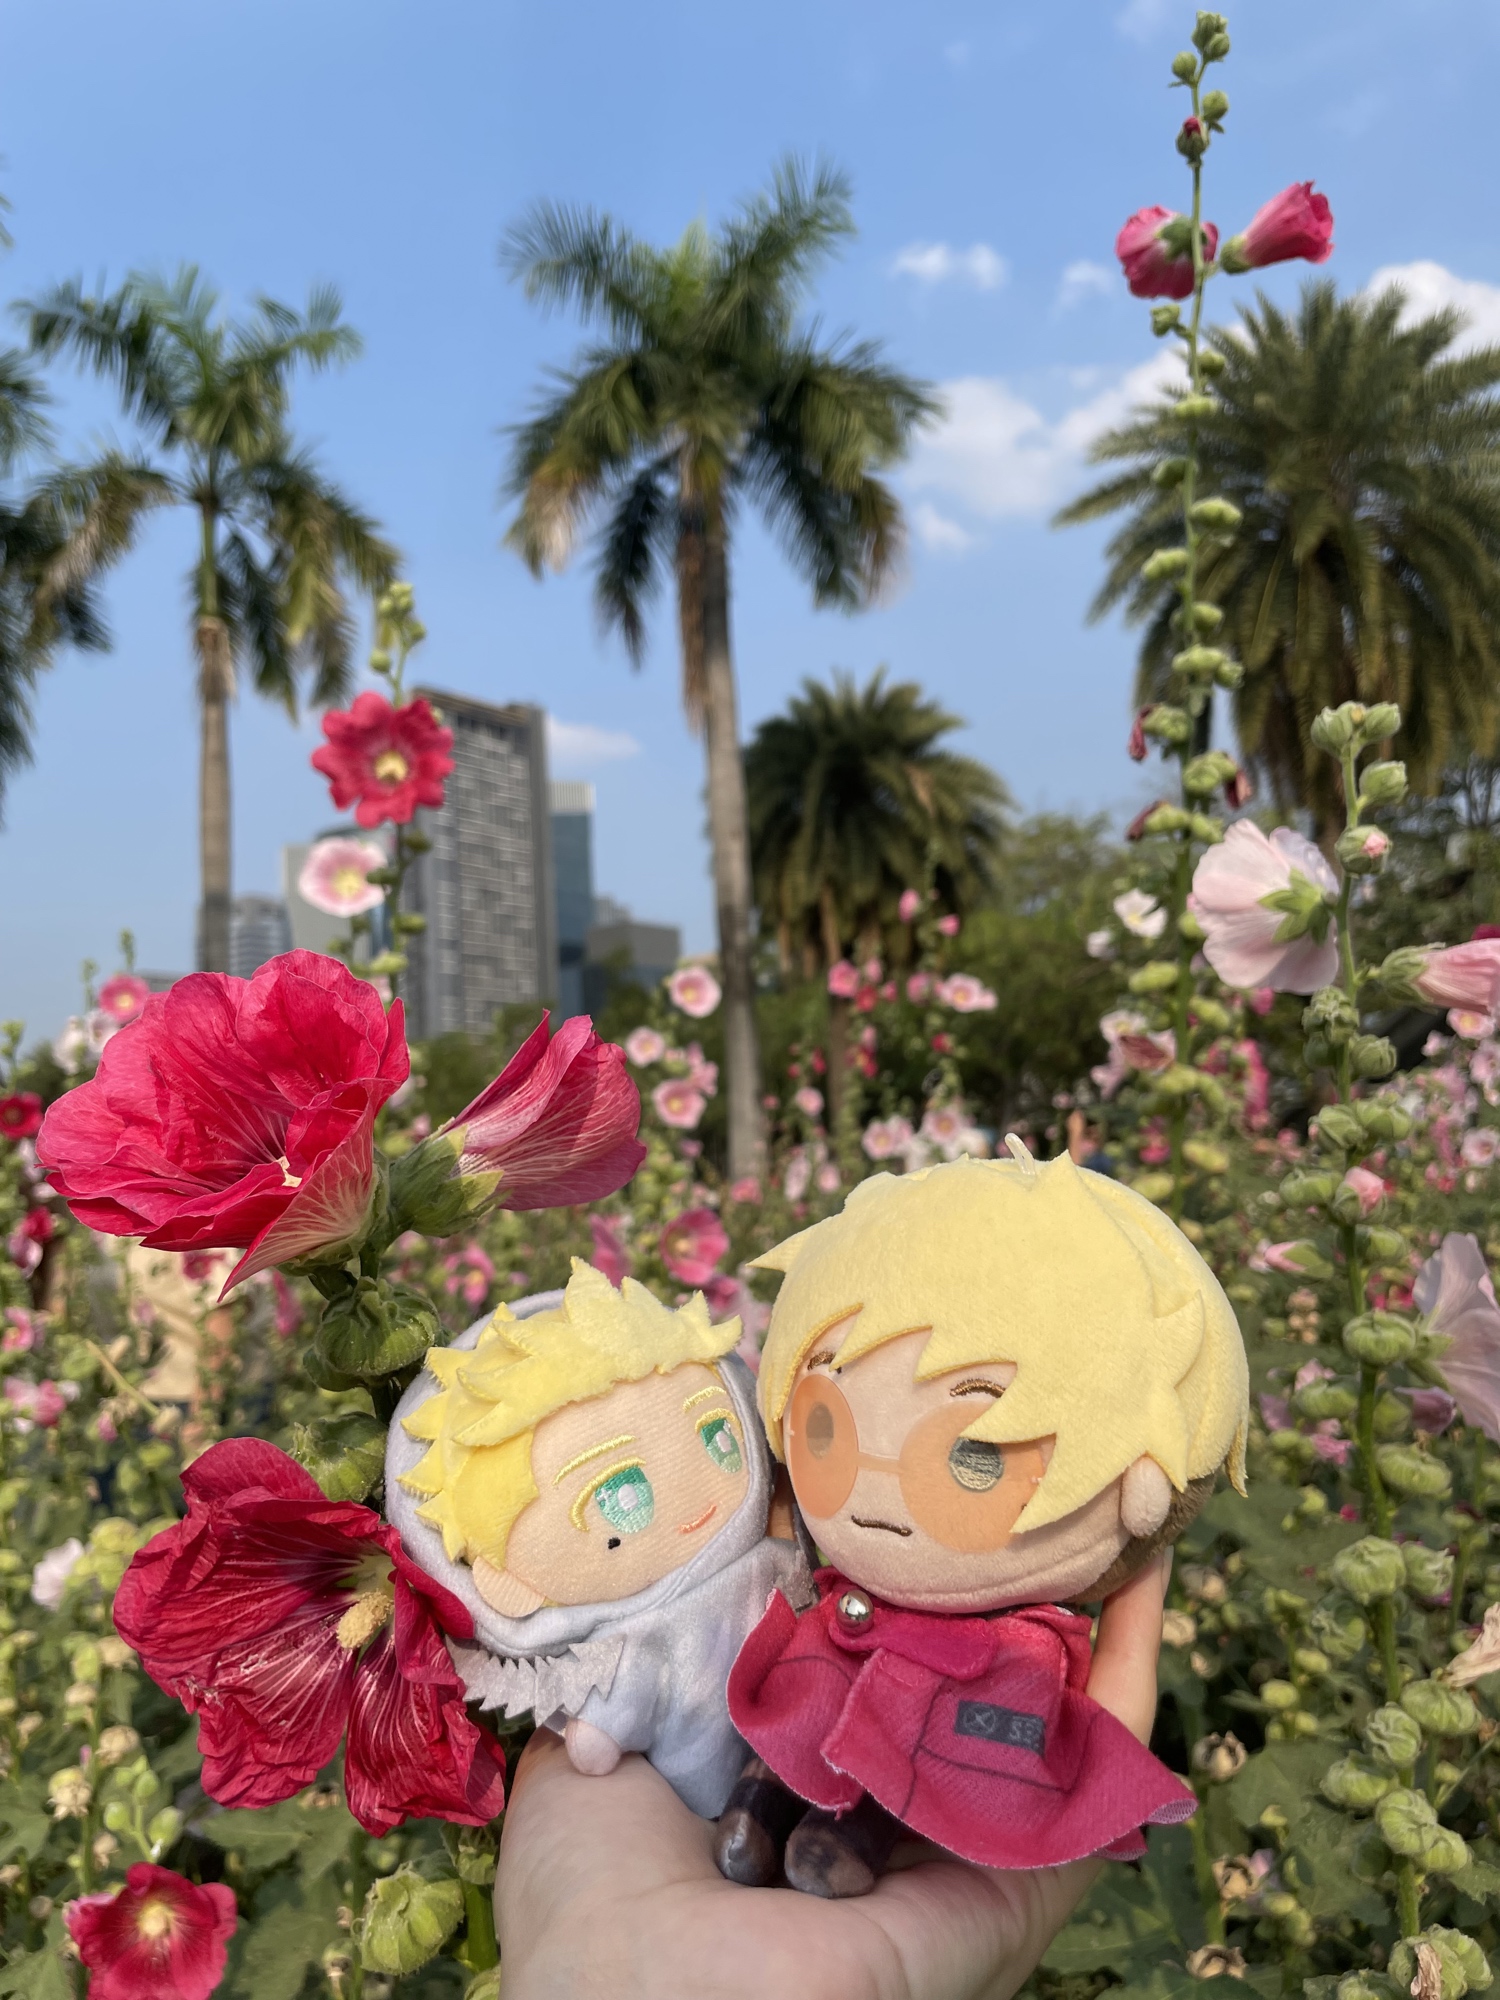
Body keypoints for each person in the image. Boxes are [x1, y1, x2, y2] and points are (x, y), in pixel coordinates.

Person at [493, 1549, 1171, 2000]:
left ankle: (830, 1835)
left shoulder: (1021, 1636)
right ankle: (760, 1811)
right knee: (803, 1721)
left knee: (894, 1763)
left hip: (901, 1679)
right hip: (846, 1638)